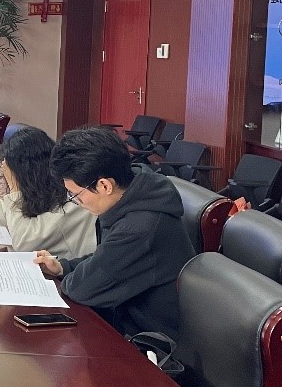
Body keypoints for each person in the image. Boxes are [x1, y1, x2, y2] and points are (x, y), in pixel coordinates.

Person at [33, 126, 195, 339]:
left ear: (104, 186)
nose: (76, 201)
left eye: (75, 194)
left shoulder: (139, 228)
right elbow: (107, 258)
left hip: (148, 340)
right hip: (122, 320)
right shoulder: (134, 190)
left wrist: (72, 276)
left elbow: (82, 289)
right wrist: (63, 267)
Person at [0, 126, 96, 258]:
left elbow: (24, 243)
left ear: (27, 171)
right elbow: (2, 211)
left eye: (10, 172)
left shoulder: (72, 199)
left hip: (63, 278)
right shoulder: (40, 188)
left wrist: (15, 189)